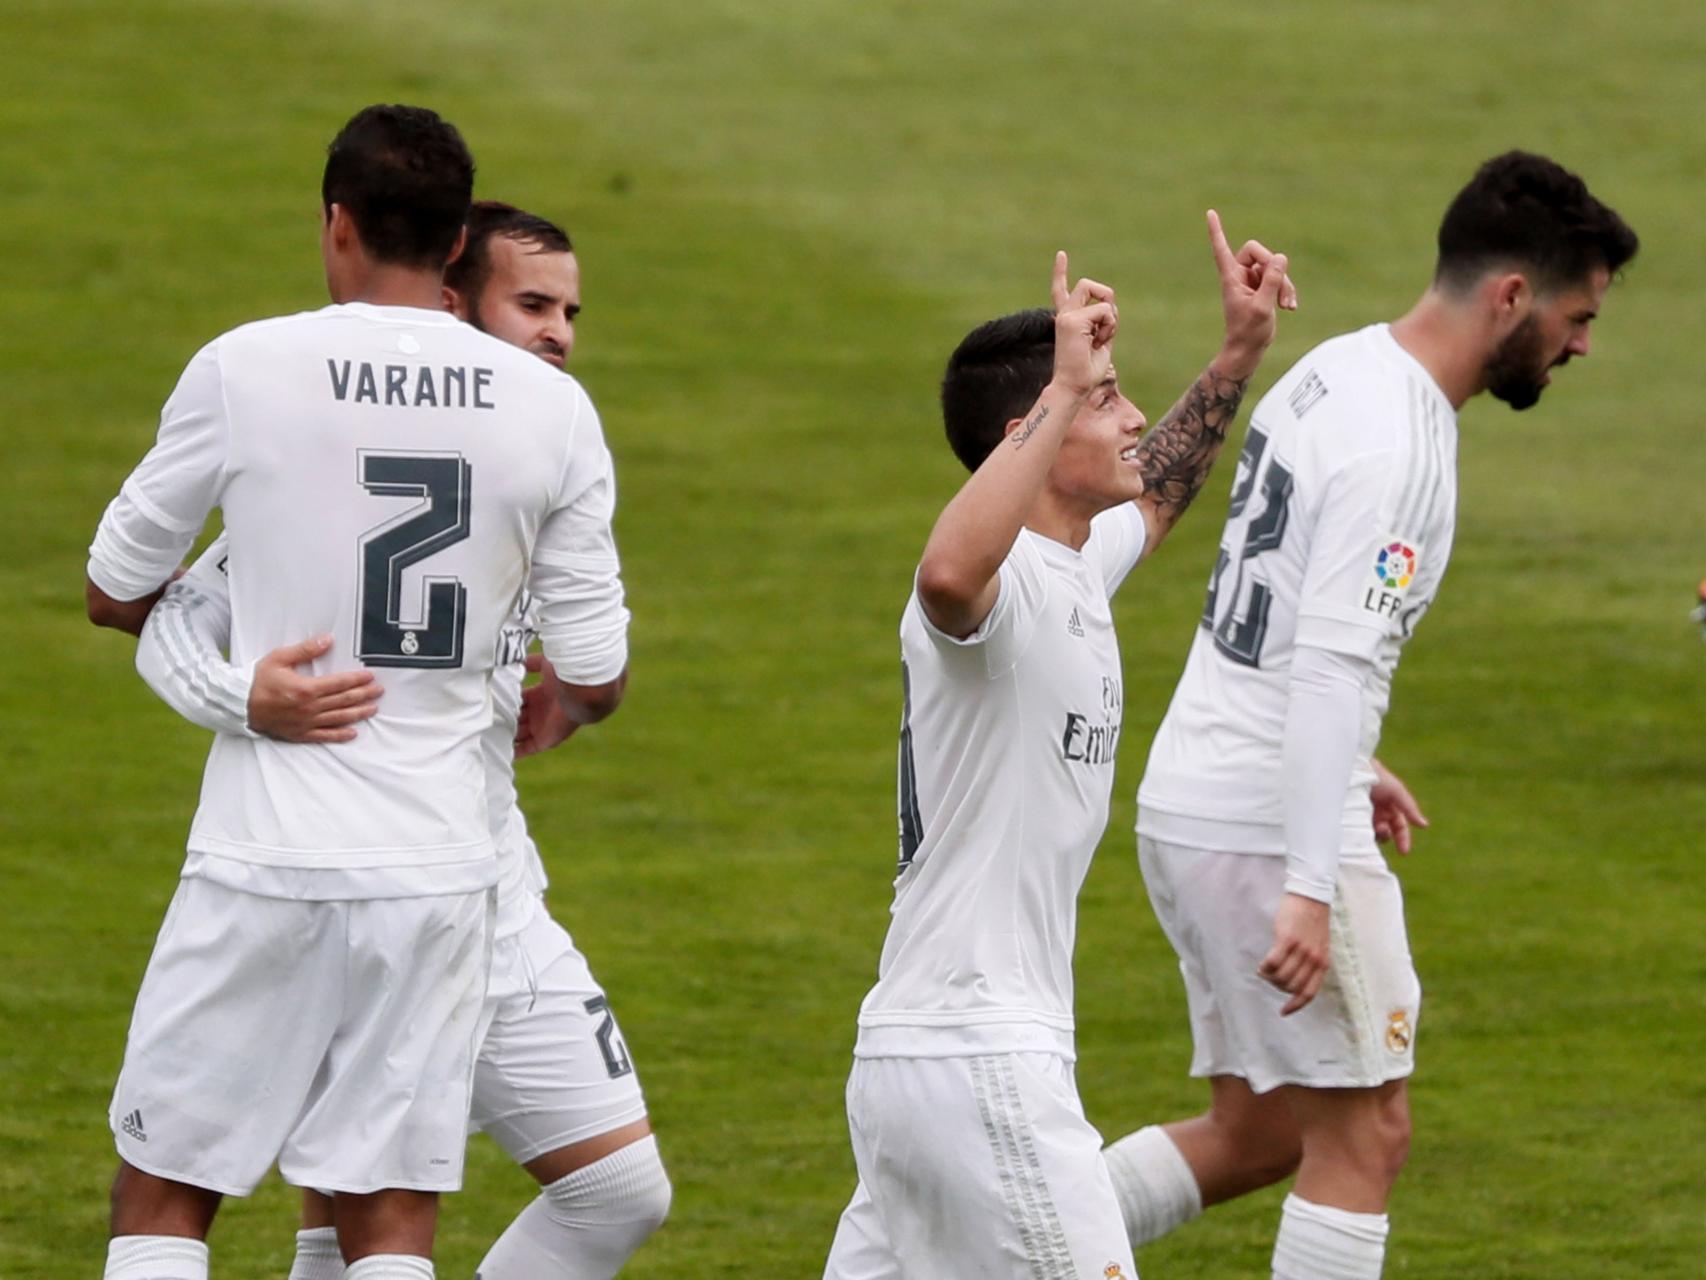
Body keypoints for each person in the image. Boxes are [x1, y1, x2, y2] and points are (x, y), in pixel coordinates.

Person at [85, 107, 631, 1280]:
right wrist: (556, 703)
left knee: (164, 1194)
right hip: (436, 873)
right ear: (452, 253)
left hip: (261, 855)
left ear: (336, 224)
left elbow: (113, 588)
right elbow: (592, 671)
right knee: (387, 1217)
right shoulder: (552, 410)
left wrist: (246, 678)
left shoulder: (245, 365)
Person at [1103, 152, 1639, 1280]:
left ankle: (976, 1245)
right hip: (1268, 826)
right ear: (1507, 297)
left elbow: (1282, 618)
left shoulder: (1338, 368)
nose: (1581, 343)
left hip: (1196, 797)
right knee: (1366, 1136)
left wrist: (1355, 756)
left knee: (1256, 1134)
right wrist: (1309, 878)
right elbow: (1332, 660)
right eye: (1574, 315)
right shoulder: (1399, 441)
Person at [822, 213, 1294, 1280]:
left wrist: (1237, 350)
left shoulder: (1073, 560)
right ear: (1030, 429)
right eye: (1105, 396)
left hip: (925, 1055)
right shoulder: (984, 594)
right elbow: (944, 572)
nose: (1130, 415)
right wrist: (1058, 387)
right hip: (980, 1054)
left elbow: (1163, 482)